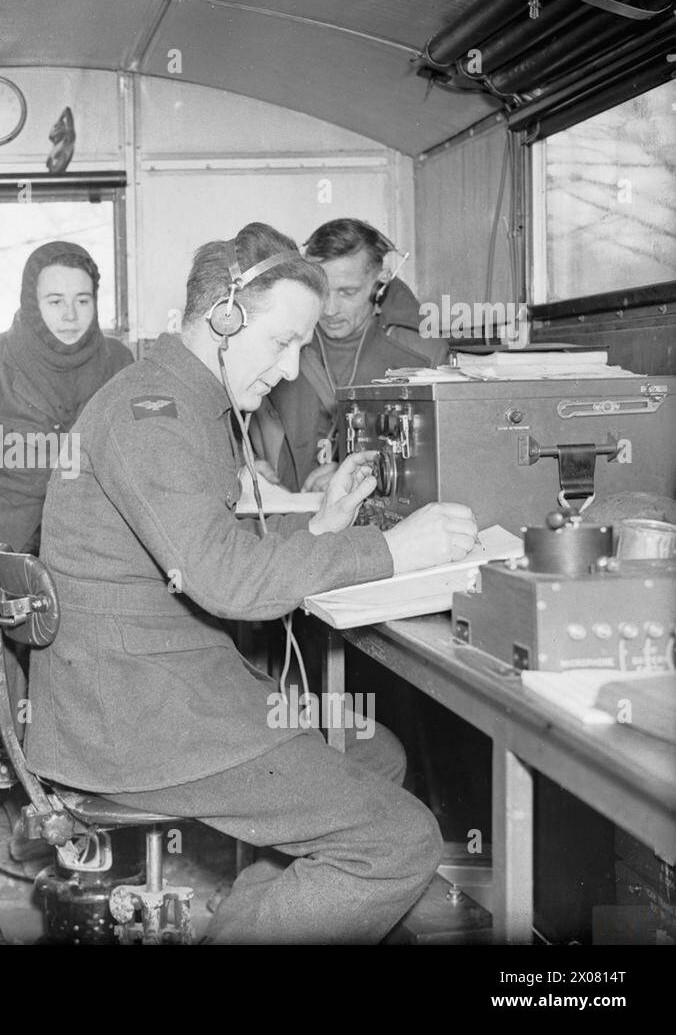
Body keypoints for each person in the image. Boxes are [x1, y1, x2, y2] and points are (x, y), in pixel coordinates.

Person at [25, 223, 478, 944]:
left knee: (374, 752)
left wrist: (325, 528)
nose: (295, 370)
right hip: (142, 719)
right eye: (284, 342)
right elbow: (227, 582)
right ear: (225, 318)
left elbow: (208, 547)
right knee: (399, 841)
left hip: (155, 689)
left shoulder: (179, 397)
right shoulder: (155, 415)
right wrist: (390, 549)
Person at [0, 241, 132, 554]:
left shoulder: (118, 363)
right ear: (32, 302)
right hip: (3, 549)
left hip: (96, 546)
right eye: (55, 302)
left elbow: (137, 468)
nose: (71, 315)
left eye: (82, 301)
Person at [264, 218, 446, 493]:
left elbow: (438, 460)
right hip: (288, 518)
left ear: (381, 283)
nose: (329, 309)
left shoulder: (424, 354)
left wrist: (359, 472)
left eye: (347, 292)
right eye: (321, 290)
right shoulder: (275, 339)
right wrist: (247, 464)